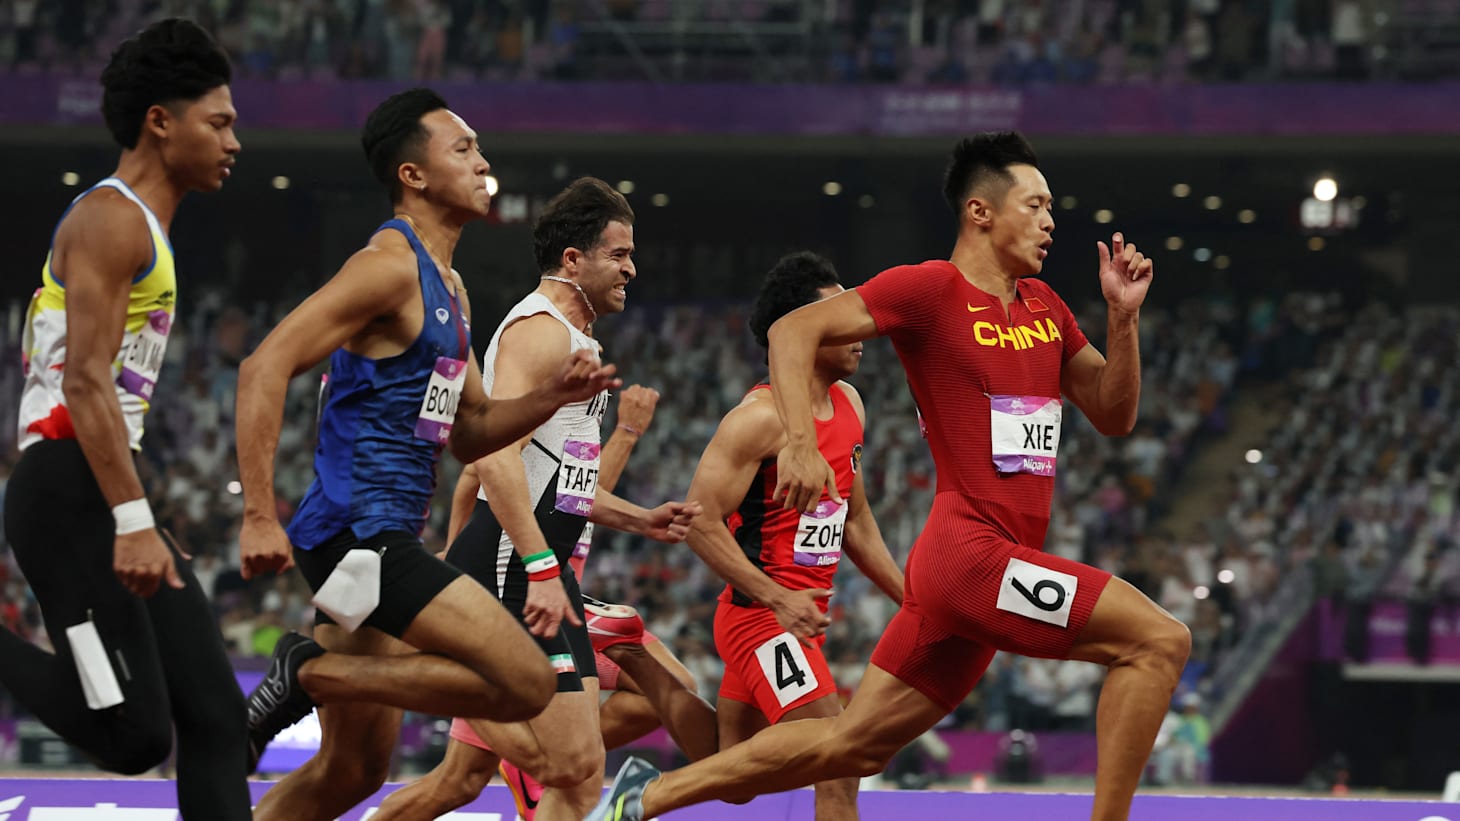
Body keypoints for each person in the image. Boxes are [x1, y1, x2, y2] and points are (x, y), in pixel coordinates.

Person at [592, 131, 1191, 821]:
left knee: (850, 746)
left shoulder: (1047, 308)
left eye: (1051, 208)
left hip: (974, 570)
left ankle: (645, 797)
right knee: (1159, 639)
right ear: (981, 212)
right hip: (970, 554)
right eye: (1035, 205)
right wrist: (798, 443)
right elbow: (791, 332)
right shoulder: (930, 289)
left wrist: (1122, 319)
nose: (1051, 221)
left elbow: (1114, 413)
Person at [234, 89, 619, 821]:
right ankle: (309, 673)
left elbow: (471, 429)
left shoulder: (451, 287)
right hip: (359, 536)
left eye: (479, 148)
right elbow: (264, 365)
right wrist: (258, 513)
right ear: (412, 175)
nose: (482, 162)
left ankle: (310, 676)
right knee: (525, 681)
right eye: (462, 148)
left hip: (371, 546)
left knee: (352, 772)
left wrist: (553, 397)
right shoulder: (388, 265)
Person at [373, 176, 700, 821]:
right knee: (573, 770)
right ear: (573, 260)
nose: (632, 269)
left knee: (563, 775)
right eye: (619, 255)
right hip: (517, 569)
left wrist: (641, 520)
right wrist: (539, 567)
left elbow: (561, 484)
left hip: (537, 572)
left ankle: (470, 695)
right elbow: (489, 459)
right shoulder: (539, 333)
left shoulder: (576, 341)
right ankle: (435, 679)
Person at [0, 19, 251, 820]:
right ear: (160, 121)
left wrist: (137, 512)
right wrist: (133, 520)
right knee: (135, 734)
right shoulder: (112, 220)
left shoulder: (146, 226)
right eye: (219, 122)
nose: (234, 142)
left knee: (218, 717)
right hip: (63, 493)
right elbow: (84, 382)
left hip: (98, 487)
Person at [377, 385, 717, 821]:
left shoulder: (583, 407)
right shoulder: (543, 380)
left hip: (559, 588)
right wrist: (454, 558)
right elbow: (478, 473)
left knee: (654, 697)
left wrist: (637, 500)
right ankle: (533, 743)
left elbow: (577, 495)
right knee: (462, 780)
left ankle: (538, 747)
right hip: (518, 585)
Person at [682, 251, 905, 819]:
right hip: (760, 619)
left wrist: (911, 599)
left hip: (803, 621)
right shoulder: (758, 419)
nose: (860, 329)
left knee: (736, 778)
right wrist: (778, 598)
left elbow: (854, 518)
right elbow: (698, 521)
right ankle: (650, 791)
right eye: (840, 316)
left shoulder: (850, 404)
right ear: (804, 329)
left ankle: (648, 770)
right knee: (840, 757)